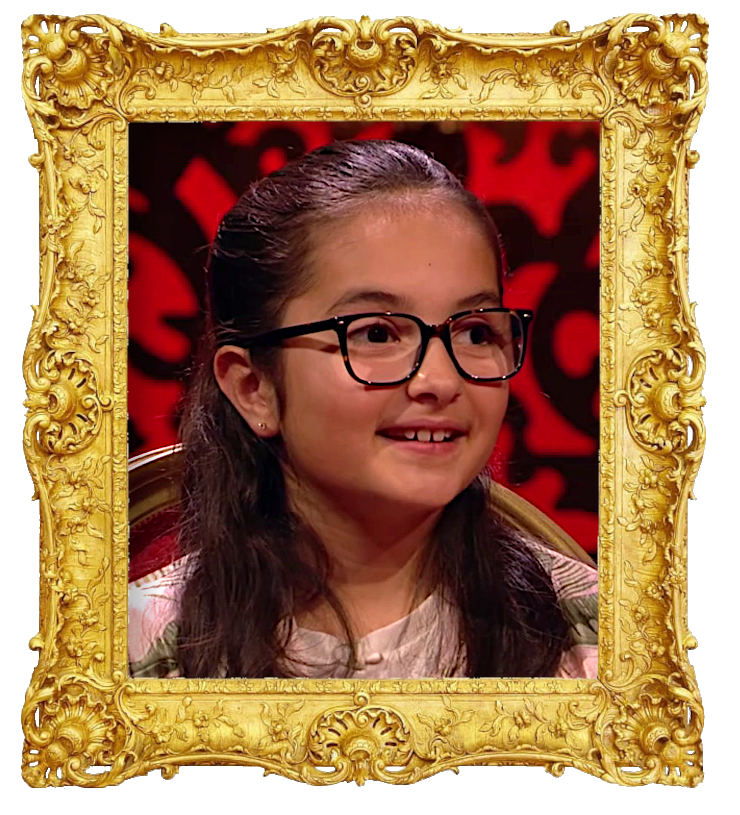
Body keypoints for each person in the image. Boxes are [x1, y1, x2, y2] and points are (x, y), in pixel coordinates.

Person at [128, 139, 598, 680]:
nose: (440, 381)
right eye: (376, 333)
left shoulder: (591, 640)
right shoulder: (138, 656)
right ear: (254, 385)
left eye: (473, 331)